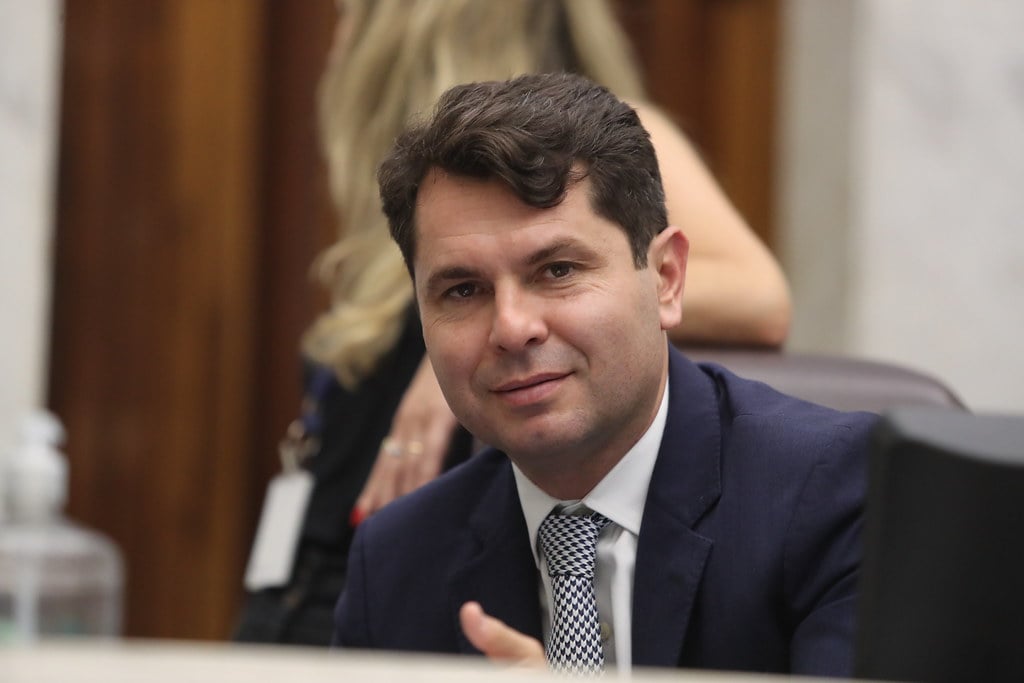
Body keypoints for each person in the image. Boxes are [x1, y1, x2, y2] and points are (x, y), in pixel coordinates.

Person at [235, 0, 791, 646]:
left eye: (555, 268)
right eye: (462, 288)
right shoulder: (427, 186)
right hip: (342, 588)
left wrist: (444, 358)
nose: (337, 45)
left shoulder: (593, 147)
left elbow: (760, 297)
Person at [331, 72, 877, 678]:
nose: (512, 327)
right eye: (463, 289)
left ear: (666, 279)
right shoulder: (396, 563)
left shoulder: (839, 493)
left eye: (558, 271)